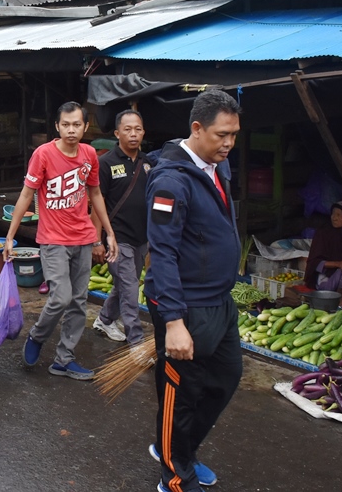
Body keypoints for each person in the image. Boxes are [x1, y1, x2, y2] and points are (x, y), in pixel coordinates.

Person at [144, 89, 243, 492]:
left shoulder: (219, 165)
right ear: (197, 128)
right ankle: (176, 475)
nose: (229, 143)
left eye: (234, 134)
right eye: (222, 134)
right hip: (186, 306)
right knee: (181, 395)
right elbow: (162, 253)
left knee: (225, 378)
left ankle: (178, 449)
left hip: (219, 301)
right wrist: (174, 322)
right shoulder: (170, 181)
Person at [3, 102, 117, 381]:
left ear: (85, 126)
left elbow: (96, 195)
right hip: (53, 239)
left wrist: (108, 233)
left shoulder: (90, 154)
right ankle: (37, 336)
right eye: (65, 124)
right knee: (61, 296)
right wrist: (10, 236)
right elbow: (26, 195)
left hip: (83, 238)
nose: (71, 130)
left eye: (77, 124)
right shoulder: (43, 154)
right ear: (57, 126)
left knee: (79, 301)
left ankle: (64, 360)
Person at [93, 109, 151, 345]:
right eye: (127, 129)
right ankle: (136, 341)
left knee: (126, 285)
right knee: (129, 290)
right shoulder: (105, 163)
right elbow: (97, 204)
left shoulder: (148, 163)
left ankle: (105, 319)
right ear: (117, 133)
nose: (133, 134)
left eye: (137, 129)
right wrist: (97, 241)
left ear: (143, 132)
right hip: (117, 240)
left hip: (141, 239)